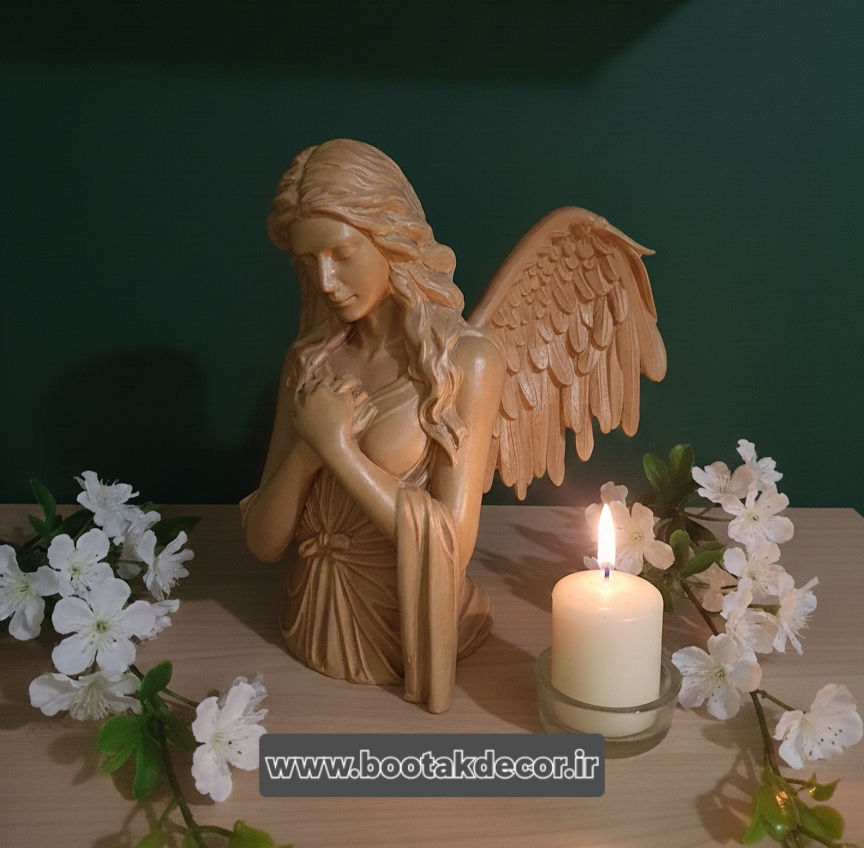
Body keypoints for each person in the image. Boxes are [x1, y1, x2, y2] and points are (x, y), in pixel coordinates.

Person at [241, 139, 505, 713]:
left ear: (390, 238)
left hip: (404, 626)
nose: (325, 281)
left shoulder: (465, 363)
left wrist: (337, 449)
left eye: (341, 253)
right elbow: (262, 541)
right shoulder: (309, 360)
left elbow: (452, 547)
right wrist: (306, 454)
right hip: (308, 616)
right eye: (307, 263)